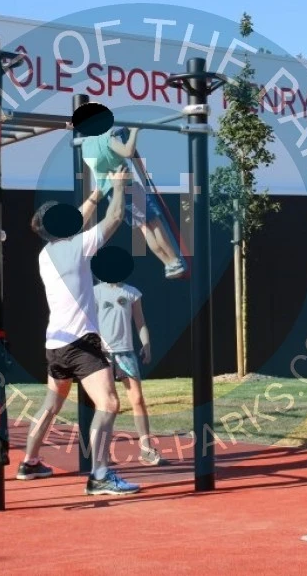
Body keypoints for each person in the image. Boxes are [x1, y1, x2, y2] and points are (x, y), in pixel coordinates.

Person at [17, 165, 141, 495]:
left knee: (51, 404)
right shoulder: (77, 248)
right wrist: (119, 186)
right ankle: (100, 474)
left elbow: (79, 219)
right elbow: (113, 219)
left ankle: (29, 463)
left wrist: (96, 193)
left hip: (55, 344)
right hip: (80, 344)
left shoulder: (47, 253)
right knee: (109, 403)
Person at [81, 126, 186, 279]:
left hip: (113, 193)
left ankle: (168, 264)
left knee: (144, 227)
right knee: (154, 223)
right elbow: (128, 152)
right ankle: (174, 261)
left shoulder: (85, 146)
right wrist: (135, 131)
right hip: (127, 185)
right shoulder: (105, 138)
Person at [94, 279, 166, 466]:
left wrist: (146, 344)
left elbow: (140, 322)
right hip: (103, 354)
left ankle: (146, 449)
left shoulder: (132, 292)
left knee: (137, 399)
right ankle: (104, 453)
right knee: (106, 404)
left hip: (126, 353)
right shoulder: (95, 292)